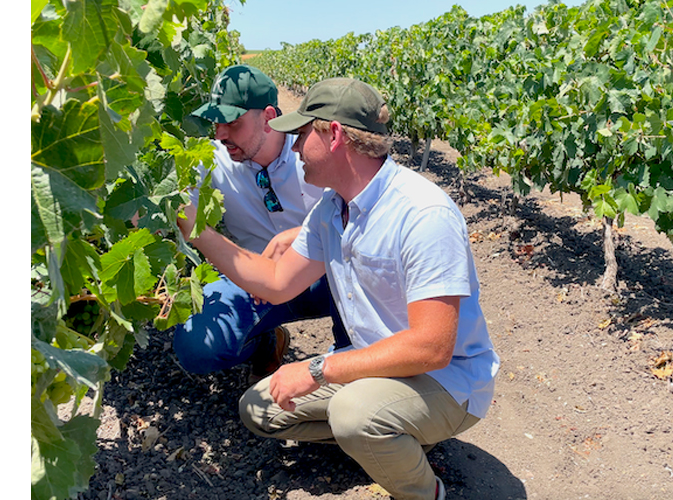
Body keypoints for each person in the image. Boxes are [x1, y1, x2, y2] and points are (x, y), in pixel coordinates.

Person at [176, 78, 499, 500]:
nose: (292, 148)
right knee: (258, 409)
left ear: (335, 136)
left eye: (301, 135)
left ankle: (426, 492)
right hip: (375, 364)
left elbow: (431, 348)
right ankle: (386, 436)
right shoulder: (331, 208)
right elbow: (276, 284)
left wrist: (316, 370)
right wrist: (194, 228)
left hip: (447, 380)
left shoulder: (423, 214)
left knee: (354, 414)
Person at [175, 65, 349, 385]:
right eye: (216, 123)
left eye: (233, 123)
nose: (219, 134)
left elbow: (362, 214)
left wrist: (300, 236)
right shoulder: (211, 158)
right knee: (195, 346)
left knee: (367, 276)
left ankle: (348, 360)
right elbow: (174, 200)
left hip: (330, 278)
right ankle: (267, 343)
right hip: (257, 283)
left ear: (268, 117)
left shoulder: (313, 153)